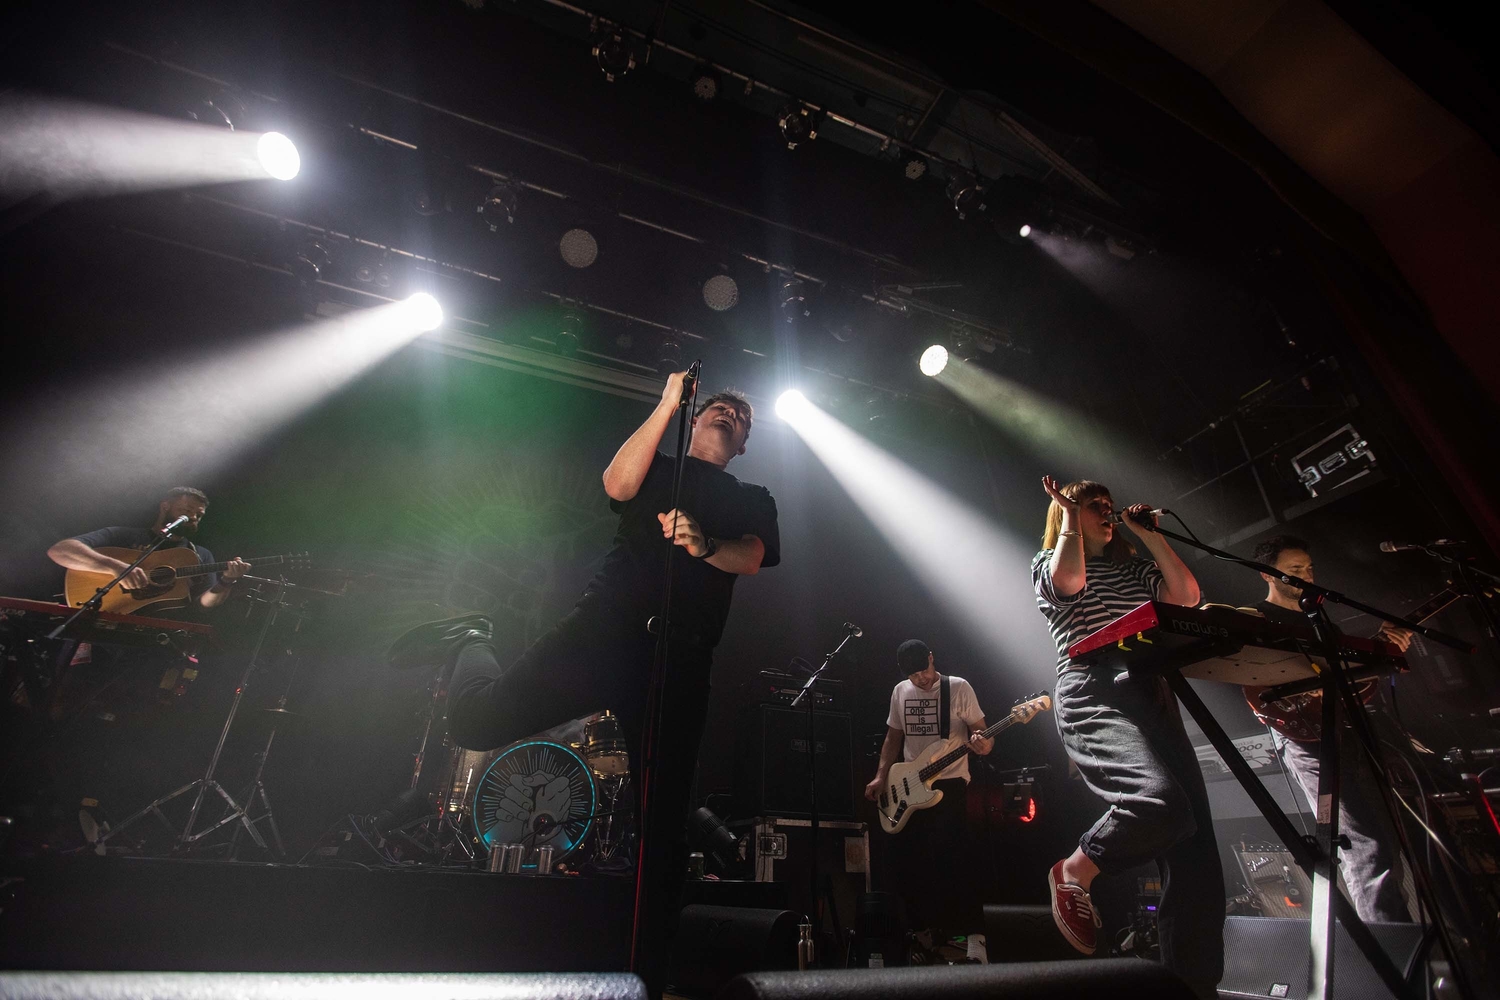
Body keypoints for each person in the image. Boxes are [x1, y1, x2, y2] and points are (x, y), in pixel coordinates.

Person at [386, 372, 779, 998]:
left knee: (665, 830)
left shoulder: (751, 494)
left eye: (740, 416)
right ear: (696, 415)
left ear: (745, 442)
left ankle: (646, 979)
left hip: (681, 661)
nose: (727, 412)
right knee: (476, 723)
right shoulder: (658, 467)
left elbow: (754, 555)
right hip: (607, 632)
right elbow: (617, 483)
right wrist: (665, 402)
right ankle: (471, 639)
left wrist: (705, 545)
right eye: (717, 406)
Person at [1032, 476, 1222, 999]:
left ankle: (1194, 987)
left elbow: (1185, 597)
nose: (1105, 510)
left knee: (1195, 847)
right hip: (1092, 683)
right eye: (1093, 504)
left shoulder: (1133, 566)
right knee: (1157, 802)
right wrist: (1070, 518)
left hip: (1150, 687)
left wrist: (1151, 535)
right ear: (1067, 512)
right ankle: (1075, 867)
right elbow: (1068, 583)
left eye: (1108, 505)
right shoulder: (1048, 561)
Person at [1241, 534, 1413, 923]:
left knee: (1390, 837)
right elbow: (1253, 682)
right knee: (1364, 842)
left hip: (1353, 729)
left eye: (1309, 567)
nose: (1306, 576)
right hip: (1305, 739)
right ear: (1268, 575)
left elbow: (1348, 679)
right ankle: (1395, 954)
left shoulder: (1318, 618)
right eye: (1294, 570)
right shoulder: (1256, 618)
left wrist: (1385, 650)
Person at [864, 639, 993, 963]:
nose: (921, 679)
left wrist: (982, 745)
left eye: (924, 671)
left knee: (956, 861)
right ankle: (922, 936)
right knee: (909, 865)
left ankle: (975, 940)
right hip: (908, 788)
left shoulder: (958, 688)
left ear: (932, 659)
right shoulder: (899, 692)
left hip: (949, 783)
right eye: (914, 675)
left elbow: (984, 736)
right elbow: (894, 737)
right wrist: (881, 776)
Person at [46, 487, 250, 609]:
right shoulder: (122, 535)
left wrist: (227, 580)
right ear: (165, 507)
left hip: (155, 636)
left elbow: (205, 604)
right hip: (98, 620)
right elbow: (61, 551)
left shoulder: (201, 555)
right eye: (186, 511)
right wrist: (116, 568)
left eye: (199, 515)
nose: (194, 518)